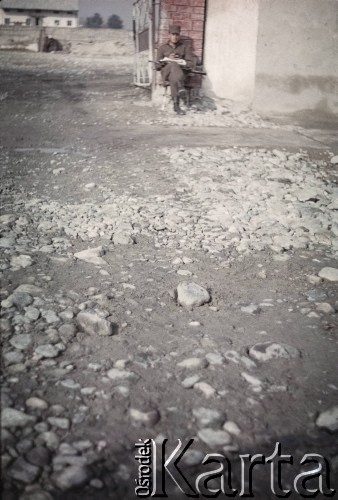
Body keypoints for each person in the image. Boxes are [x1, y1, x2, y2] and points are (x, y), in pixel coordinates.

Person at [156, 25, 193, 115]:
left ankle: (176, 106)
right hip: (166, 73)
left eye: (177, 35)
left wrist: (181, 61)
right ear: (169, 35)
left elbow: (190, 63)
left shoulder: (184, 47)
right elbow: (157, 66)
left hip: (178, 74)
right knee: (172, 63)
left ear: (179, 35)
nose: (175, 37)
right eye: (173, 34)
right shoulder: (162, 48)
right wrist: (167, 59)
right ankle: (180, 87)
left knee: (174, 79)